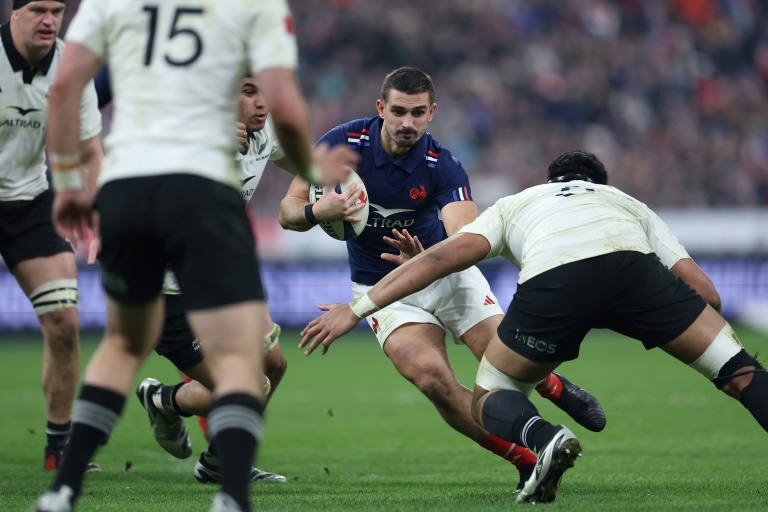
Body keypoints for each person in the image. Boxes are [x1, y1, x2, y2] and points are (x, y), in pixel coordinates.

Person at [299, 150, 766, 505]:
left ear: (551, 182)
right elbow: (707, 294)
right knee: (741, 373)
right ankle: (554, 400)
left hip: (556, 282)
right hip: (635, 276)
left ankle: (545, 436)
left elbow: (442, 256)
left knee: (492, 391)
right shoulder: (627, 204)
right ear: (599, 185)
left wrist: (357, 309)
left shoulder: (520, 202)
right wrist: (666, 326)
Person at [34, 1, 357, 512]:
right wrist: (315, 167)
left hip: (127, 192)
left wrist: (70, 183)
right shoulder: (252, 13)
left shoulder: (114, 7)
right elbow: (290, 109)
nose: (259, 104)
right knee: (243, 373)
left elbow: (67, 85)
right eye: (246, 91)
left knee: (263, 361)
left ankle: (65, 492)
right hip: (191, 224)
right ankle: (225, 487)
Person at [279, 67, 606, 489]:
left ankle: (551, 384)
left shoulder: (443, 165)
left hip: (446, 277)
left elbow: (468, 236)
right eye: (397, 111)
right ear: (381, 109)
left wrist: (428, 258)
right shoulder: (342, 144)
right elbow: (288, 210)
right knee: (432, 378)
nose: (406, 123)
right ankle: (528, 460)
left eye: (417, 113)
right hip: (383, 292)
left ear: (432, 113)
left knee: (503, 362)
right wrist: (314, 212)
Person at [135, 77, 312, 484]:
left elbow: (303, 160)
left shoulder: (264, 130)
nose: (261, 102)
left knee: (274, 365)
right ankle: (167, 400)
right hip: (166, 292)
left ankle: (214, 457)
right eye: (249, 91)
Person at [0, 0, 102, 473]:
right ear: (13, 12)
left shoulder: (73, 66)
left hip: (30, 203)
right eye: (38, 9)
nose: (49, 20)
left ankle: (58, 448)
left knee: (65, 323)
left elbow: (89, 151)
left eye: (57, 10)